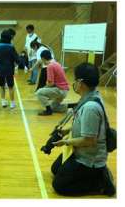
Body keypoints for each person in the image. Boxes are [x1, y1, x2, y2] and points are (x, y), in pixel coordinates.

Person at [50, 63, 116, 197]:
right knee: (56, 169)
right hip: (80, 150)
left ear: (80, 82)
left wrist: (66, 142)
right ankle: (95, 175)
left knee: (59, 186)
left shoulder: (90, 107)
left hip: (90, 159)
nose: (74, 83)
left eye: (75, 80)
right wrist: (66, 131)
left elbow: (89, 140)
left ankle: (100, 182)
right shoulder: (90, 96)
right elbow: (84, 125)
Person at [0, 30, 19, 109]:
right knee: (10, 86)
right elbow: (17, 59)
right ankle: (12, 103)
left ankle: (3, 101)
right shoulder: (11, 47)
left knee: (1, 85)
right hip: (9, 69)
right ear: (10, 37)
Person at [35, 50, 69, 116]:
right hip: (64, 90)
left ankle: (48, 111)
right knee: (54, 107)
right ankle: (72, 106)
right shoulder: (56, 63)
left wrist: (44, 88)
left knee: (39, 92)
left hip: (60, 90)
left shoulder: (50, 66)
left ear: (43, 58)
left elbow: (50, 83)